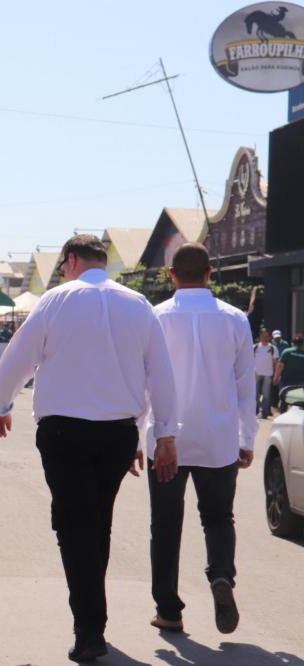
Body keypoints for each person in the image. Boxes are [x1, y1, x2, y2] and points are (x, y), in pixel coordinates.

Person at [0, 234, 178, 663]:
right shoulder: (138, 304)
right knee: (96, 523)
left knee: (74, 528)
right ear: (103, 261)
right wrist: (161, 433)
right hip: (118, 434)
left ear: (71, 260)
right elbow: (160, 374)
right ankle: (92, 620)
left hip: (63, 433)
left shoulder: (56, 300)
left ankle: (89, 628)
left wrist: (1, 405)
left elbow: (19, 357)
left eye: (64, 264)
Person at [144, 243, 255, 637]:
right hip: (219, 436)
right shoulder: (235, 319)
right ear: (210, 273)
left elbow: (146, 383)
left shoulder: (155, 317)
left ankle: (169, 610)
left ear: (171, 275)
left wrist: (141, 436)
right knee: (219, 517)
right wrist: (248, 437)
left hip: (166, 439)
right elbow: (245, 386)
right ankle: (221, 576)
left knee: (166, 523)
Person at [274, 333, 304, 410]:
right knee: (299, 403)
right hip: (300, 383)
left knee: (284, 401)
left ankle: (283, 418)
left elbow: (280, 366)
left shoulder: (286, 352)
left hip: (286, 382)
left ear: (292, 343)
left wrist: (276, 377)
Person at [254, 329, 277, 419]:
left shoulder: (272, 348)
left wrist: (276, 375)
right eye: (263, 336)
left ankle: (265, 412)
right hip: (256, 373)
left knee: (266, 394)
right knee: (255, 394)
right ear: (260, 337)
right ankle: (255, 411)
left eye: (267, 336)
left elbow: (275, 362)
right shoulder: (254, 347)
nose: (265, 338)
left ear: (269, 337)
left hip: (268, 374)